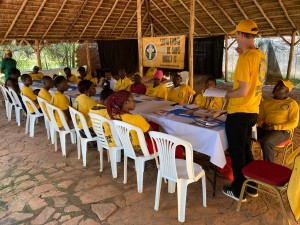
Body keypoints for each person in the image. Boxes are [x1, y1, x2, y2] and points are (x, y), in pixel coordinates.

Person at [222, 19, 267, 202]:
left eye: (236, 34)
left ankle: (238, 189)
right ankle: (252, 186)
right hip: (252, 111)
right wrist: (243, 53)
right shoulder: (259, 55)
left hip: (239, 112)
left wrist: (227, 94)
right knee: (246, 150)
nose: (235, 37)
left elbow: (242, 91)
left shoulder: (244, 59)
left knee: (237, 152)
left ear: (240, 34)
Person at [257, 79, 299, 162]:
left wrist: (275, 127)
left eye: (281, 87)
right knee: (245, 134)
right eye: (277, 85)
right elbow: (260, 118)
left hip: (282, 131)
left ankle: (269, 169)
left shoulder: (291, 103)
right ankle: (247, 162)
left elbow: (294, 123)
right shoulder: (266, 102)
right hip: (266, 128)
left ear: (287, 91)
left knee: (267, 142)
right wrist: (262, 124)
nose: (277, 87)